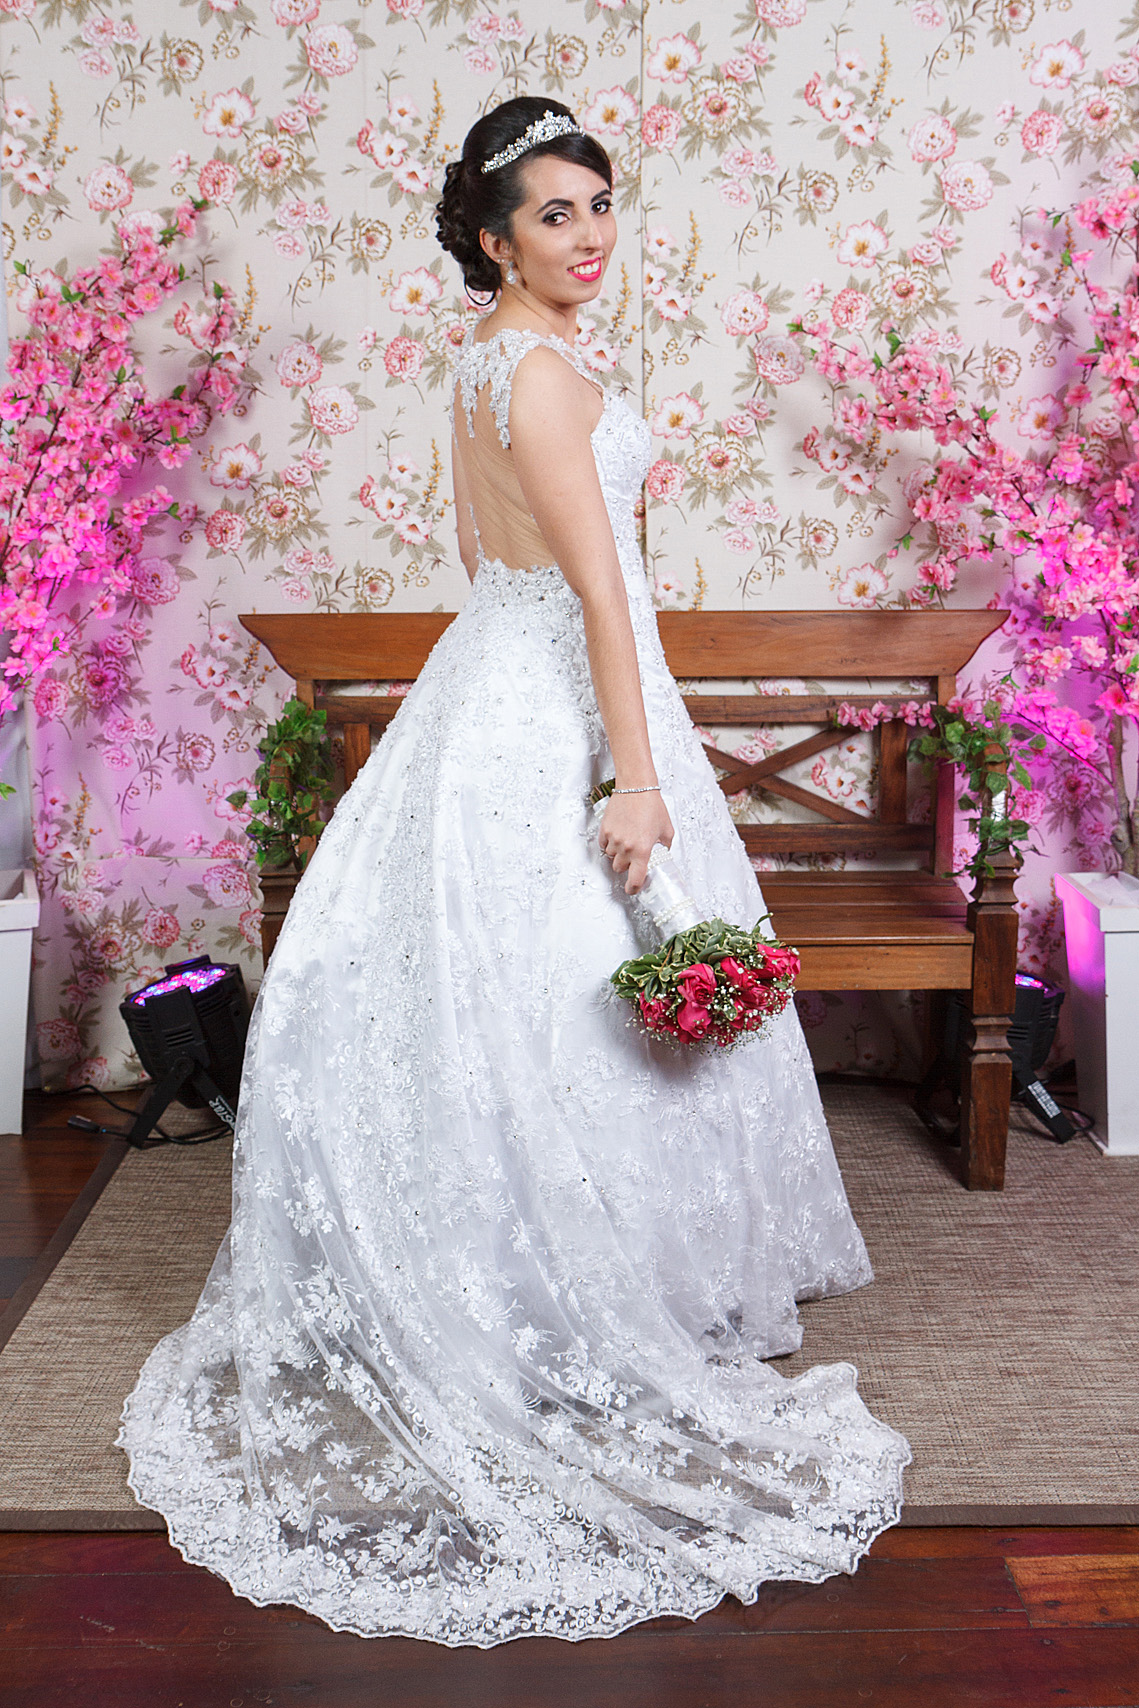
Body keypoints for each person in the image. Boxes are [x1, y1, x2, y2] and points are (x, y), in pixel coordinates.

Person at [119, 96, 911, 1647]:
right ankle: (562, 1293)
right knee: (565, 991)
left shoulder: (488, 361)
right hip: (552, 704)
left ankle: (537, 1262)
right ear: (491, 238)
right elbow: (603, 598)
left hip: (486, 680)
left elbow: (530, 572)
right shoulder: (538, 373)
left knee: (518, 1003)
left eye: (599, 204)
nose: (589, 234)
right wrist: (629, 771)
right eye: (553, 214)